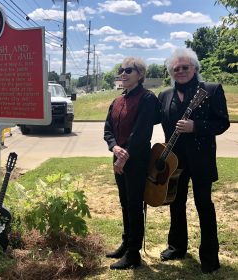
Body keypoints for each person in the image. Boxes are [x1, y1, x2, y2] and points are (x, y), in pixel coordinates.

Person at [158, 48, 229, 274]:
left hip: (201, 159)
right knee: (175, 204)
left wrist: (195, 126)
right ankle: (177, 246)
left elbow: (222, 123)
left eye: (184, 67)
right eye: (175, 68)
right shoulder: (165, 95)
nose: (180, 71)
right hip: (174, 161)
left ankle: (209, 257)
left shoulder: (211, 90)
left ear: (195, 68)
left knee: (203, 205)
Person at [103, 57, 160, 269]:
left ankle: (133, 254)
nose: (123, 73)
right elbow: (108, 128)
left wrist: (124, 155)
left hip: (136, 159)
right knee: (124, 202)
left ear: (140, 75)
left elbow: (142, 131)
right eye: (121, 70)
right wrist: (114, 147)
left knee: (135, 204)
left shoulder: (147, 98)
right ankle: (126, 243)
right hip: (119, 157)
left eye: (129, 70)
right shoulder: (117, 100)